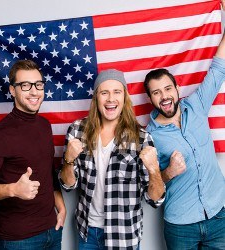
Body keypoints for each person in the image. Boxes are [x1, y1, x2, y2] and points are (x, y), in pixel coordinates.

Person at [143, 10, 225, 250]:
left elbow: (219, 69)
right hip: (181, 227)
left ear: (177, 89)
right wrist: (168, 171)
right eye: (156, 92)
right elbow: (152, 194)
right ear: (150, 99)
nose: (164, 96)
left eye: (168, 89)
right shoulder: (150, 136)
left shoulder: (197, 105)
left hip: (219, 216)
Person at [59, 69, 165, 250]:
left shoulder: (141, 138)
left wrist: (154, 170)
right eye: (104, 92)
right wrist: (68, 160)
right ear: (96, 99)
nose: (110, 99)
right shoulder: (77, 130)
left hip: (124, 236)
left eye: (117, 92)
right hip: (88, 233)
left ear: (124, 98)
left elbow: (155, 200)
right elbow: (68, 185)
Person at [0, 60, 66, 250]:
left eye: (38, 85)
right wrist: (13, 190)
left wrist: (61, 206)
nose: (34, 91)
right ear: (12, 90)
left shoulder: (44, 125)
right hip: (18, 239)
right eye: (25, 85)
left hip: (52, 230)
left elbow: (48, 171)